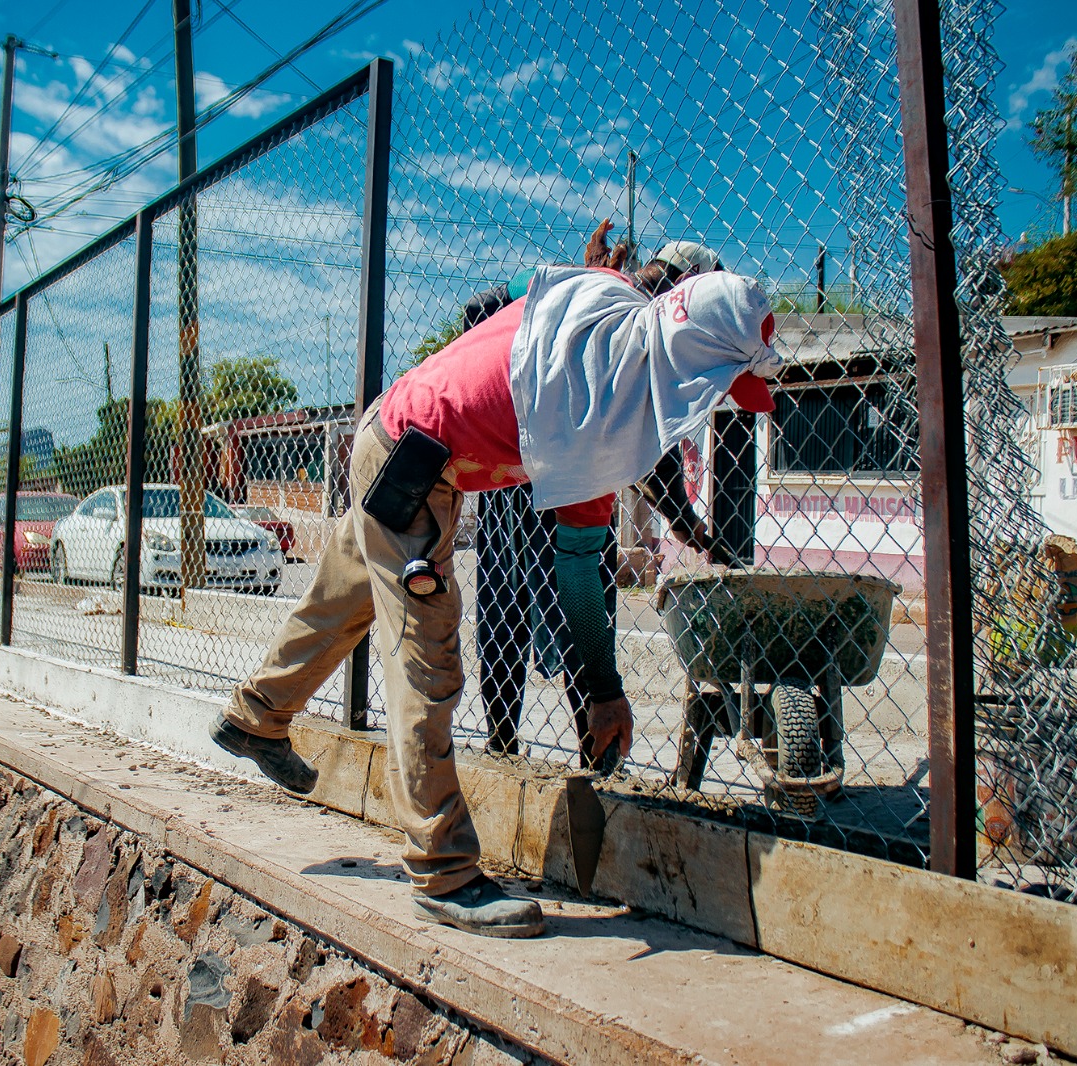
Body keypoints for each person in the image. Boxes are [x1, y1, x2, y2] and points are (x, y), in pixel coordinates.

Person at [211, 260, 782, 938]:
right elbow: (577, 579)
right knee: (426, 658)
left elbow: (507, 297)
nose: (714, 400)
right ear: (694, 361)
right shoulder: (600, 415)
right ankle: (444, 874)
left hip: (394, 432)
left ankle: (257, 715)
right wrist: (603, 688)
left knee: (340, 602)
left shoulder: (608, 291)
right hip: (416, 467)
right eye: (720, 383)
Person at [467, 225, 727, 764]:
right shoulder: (639, 324)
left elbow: (478, 308)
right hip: (564, 487)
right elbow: (651, 455)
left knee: (507, 615)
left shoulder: (591, 294)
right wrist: (688, 525)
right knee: (579, 626)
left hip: (511, 478)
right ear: (689, 287)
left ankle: (504, 750)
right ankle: (596, 768)